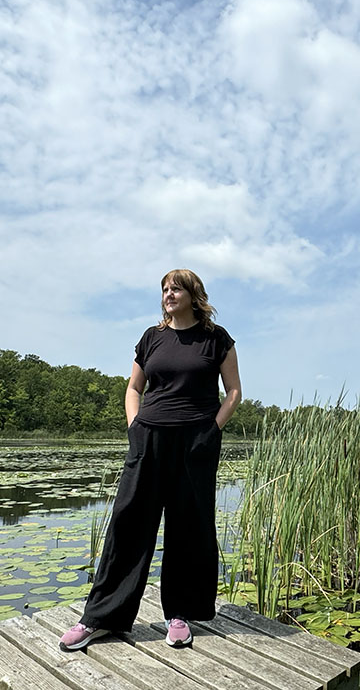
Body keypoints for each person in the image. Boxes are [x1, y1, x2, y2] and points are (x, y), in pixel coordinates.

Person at [59, 269, 241, 650]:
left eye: (176, 288)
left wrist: (212, 430)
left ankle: (180, 614)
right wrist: (135, 427)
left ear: (194, 295)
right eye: (164, 289)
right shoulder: (152, 337)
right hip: (149, 438)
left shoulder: (216, 339)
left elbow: (234, 391)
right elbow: (133, 387)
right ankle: (100, 618)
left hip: (196, 443)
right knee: (129, 523)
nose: (168, 294)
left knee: (189, 527)